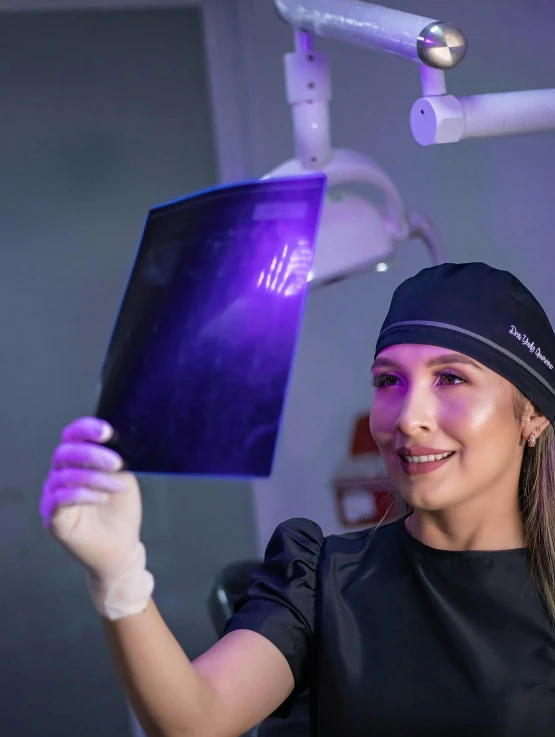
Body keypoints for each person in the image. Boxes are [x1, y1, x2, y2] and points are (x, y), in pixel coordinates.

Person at [40, 262, 555, 737]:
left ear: (532, 414)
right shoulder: (319, 579)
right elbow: (194, 721)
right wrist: (119, 576)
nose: (406, 417)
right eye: (388, 381)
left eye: (451, 378)